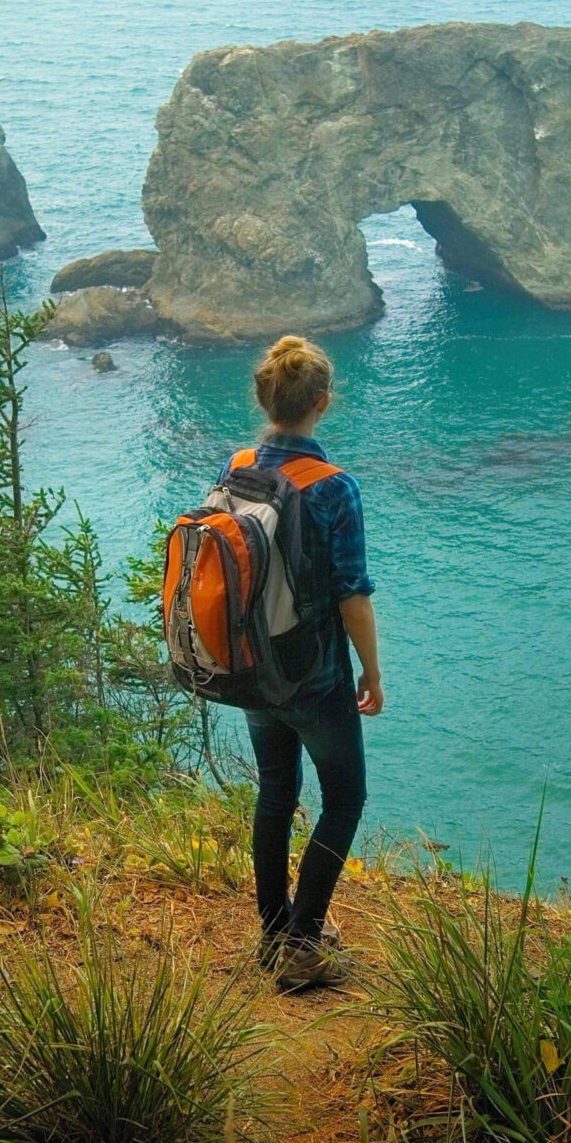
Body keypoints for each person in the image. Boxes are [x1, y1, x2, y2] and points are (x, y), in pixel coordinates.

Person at [231, 335, 382, 992]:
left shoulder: (238, 467)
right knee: (344, 798)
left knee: (275, 793)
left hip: (252, 668)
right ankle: (302, 938)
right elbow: (352, 593)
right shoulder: (333, 487)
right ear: (322, 404)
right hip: (315, 676)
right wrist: (371, 673)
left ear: (266, 400)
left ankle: (273, 931)